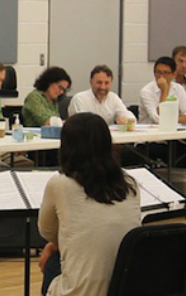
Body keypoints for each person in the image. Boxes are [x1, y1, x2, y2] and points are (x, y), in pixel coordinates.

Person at [38, 113, 141, 296]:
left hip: (81, 291)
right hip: (125, 287)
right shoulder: (130, 183)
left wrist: (56, 243)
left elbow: (46, 231)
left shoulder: (60, 184)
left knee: (53, 259)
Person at [67, 65, 135, 125]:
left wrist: (126, 120)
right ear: (91, 82)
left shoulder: (113, 98)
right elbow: (80, 126)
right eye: (99, 82)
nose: (103, 87)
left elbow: (128, 117)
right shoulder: (79, 99)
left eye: (107, 83)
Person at [138, 56, 186, 125]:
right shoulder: (146, 91)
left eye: (166, 73)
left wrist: (172, 119)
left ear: (174, 74)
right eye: (158, 72)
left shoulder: (179, 88)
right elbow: (157, 118)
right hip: (150, 131)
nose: (161, 76)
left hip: (174, 130)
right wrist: (164, 91)